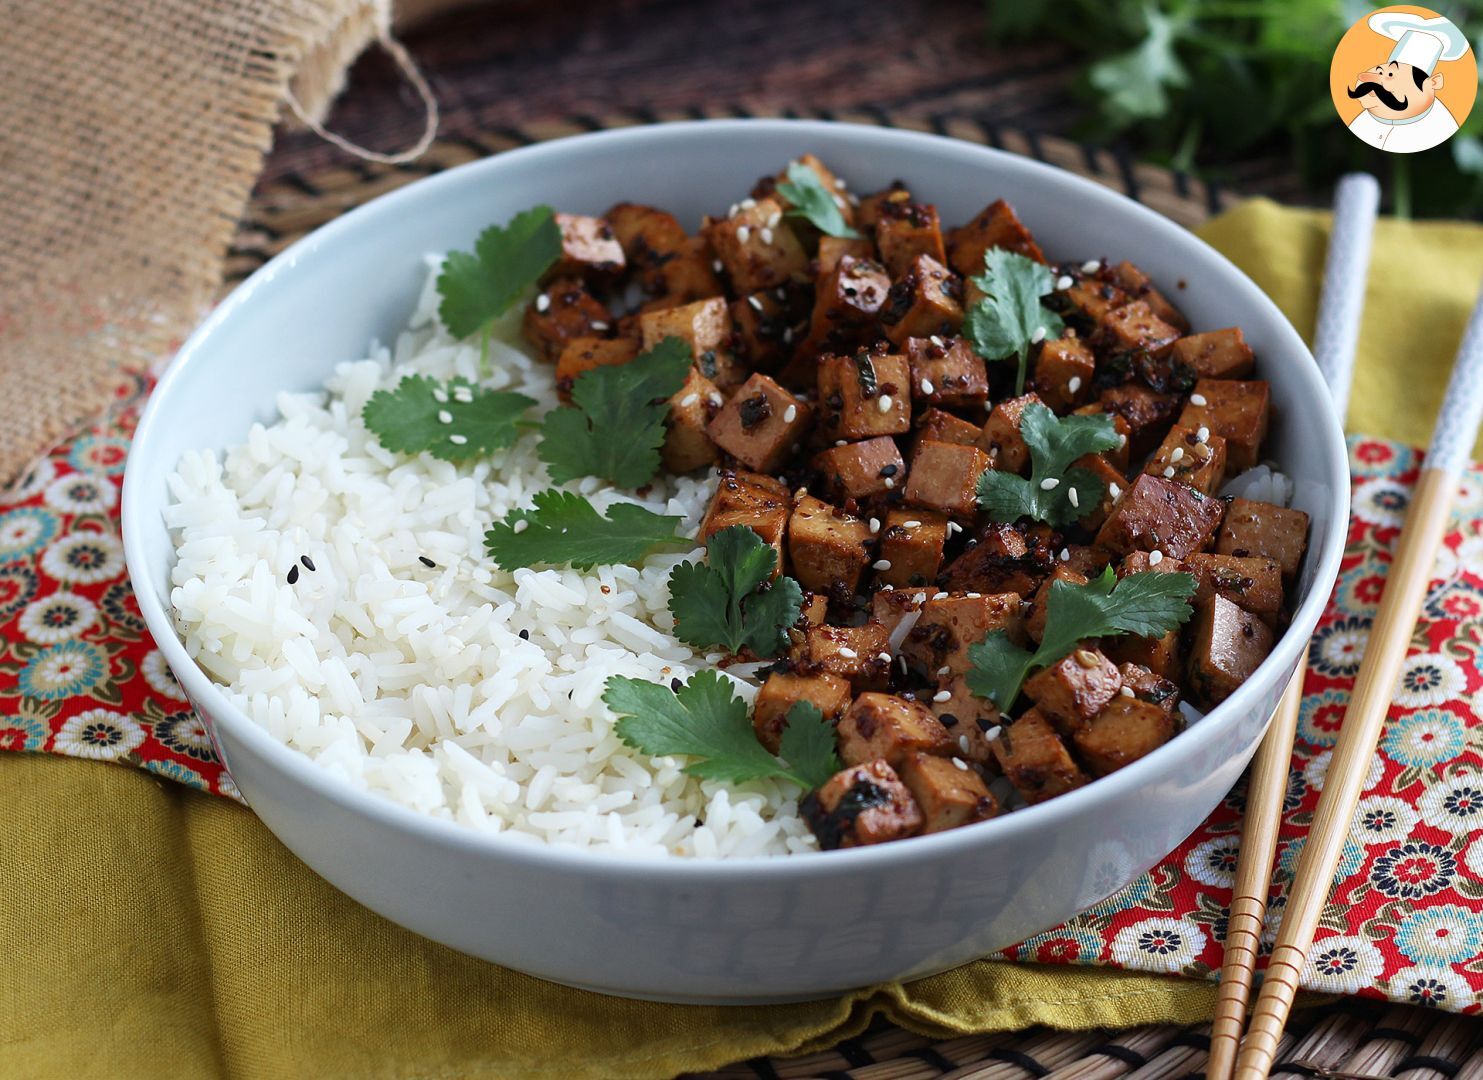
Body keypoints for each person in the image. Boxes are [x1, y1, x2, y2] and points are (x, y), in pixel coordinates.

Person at [1347, 11, 1470, 154]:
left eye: (1391, 75)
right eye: (1380, 72)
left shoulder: (1440, 127)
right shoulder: (1361, 117)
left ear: (1433, 83)